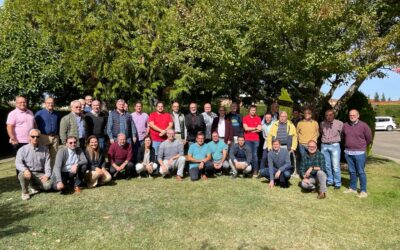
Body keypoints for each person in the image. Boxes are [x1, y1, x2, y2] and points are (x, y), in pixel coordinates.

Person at [342, 109, 372, 198]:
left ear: (358, 116)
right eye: (350, 115)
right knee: (351, 171)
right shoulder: (345, 125)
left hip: (360, 153)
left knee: (361, 172)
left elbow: (369, 139)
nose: (352, 116)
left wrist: (361, 146)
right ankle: (353, 188)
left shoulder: (364, 126)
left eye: (354, 115)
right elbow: (343, 137)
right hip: (348, 152)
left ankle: (363, 191)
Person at [15, 129, 52, 200]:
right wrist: (25, 170)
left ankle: (33, 186)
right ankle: (25, 193)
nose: (35, 138)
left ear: (40, 137)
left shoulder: (45, 149)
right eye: (33, 136)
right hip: (28, 173)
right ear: (29, 137)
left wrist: (47, 175)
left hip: (40, 173)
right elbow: (18, 163)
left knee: (49, 186)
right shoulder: (22, 150)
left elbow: (47, 164)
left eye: (37, 137)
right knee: (21, 174)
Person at [320, 109, 343, 189]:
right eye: (326, 115)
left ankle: (337, 183)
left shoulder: (339, 123)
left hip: (335, 145)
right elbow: (321, 133)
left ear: (333, 115)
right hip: (324, 146)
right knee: (327, 165)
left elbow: (342, 134)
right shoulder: (322, 124)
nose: (328, 117)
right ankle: (330, 180)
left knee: (336, 166)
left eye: (330, 115)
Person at [34, 97, 60, 167]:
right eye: (48, 103)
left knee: (54, 155)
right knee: (43, 155)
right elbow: (34, 125)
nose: (50, 104)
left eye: (52, 103)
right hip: (43, 137)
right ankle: (43, 170)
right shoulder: (39, 113)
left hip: (55, 137)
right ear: (45, 104)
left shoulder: (57, 114)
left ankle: (52, 171)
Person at [243, 105, 262, 176]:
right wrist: (255, 128)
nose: (253, 111)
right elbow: (246, 128)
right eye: (252, 110)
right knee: (248, 155)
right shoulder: (245, 118)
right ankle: (249, 170)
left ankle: (255, 170)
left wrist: (251, 129)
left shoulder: (258, 118)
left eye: (254, 110)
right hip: (247, 139)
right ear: (249, 110)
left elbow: (259, 129)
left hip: (255, 140)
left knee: (255, 155)